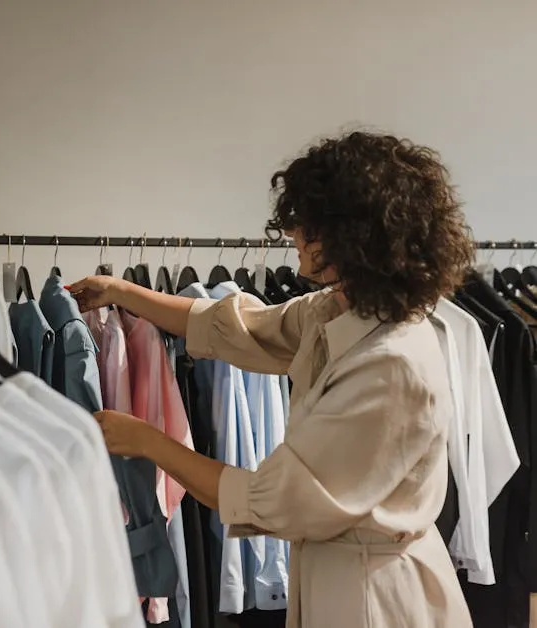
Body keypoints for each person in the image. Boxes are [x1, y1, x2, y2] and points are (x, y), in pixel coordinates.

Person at [68, 131, 476, 628]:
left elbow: (270, 501)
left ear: (351, 235)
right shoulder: (339, 309)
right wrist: (122, 292)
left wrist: (150, 442)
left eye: (307, 222)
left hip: (376, 598)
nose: (293, 233)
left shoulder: (390, 364)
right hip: (341, 577)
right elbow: (235, 327)